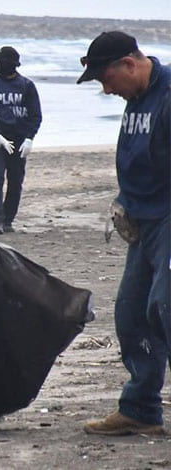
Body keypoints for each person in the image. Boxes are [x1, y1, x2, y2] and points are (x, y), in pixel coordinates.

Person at [77, 31, 170, 436]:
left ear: (129, 64)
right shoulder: (135, 98)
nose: (106, 89)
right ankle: (141, 408)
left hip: (168, 217)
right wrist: (123, 199)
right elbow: (137, 155)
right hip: (143, 217)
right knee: (131, 314)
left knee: (165, 307)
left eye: (106, 79)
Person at [0, 46, 42, 234]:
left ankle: (8, 219)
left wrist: (29, 138)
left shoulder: (26, 86)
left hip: (19, 139)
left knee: (15, 180)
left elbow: (35, 115)